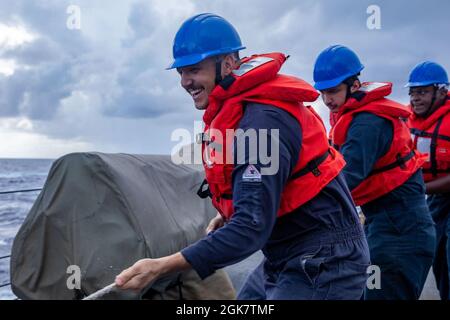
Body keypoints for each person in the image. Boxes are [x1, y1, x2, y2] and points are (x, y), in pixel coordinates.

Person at [115, 14, 370, 300]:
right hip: (285, 249)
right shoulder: (240, 111)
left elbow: (250, 228)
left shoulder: (261, 123)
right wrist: (227, 215)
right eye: (181, 72)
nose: (185, 82)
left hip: (324, 258)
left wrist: (160, 267)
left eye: (194, 70)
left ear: (227, 64)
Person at [313, 45, 436, 300]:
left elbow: (347, 179)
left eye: (333, 91)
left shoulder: (367, 122)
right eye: (323, 93)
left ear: (354, 86)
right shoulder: (351, 116)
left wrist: (299, 206)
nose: (327, 100)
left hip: (400, 228)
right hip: (383, 223)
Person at [406, 61, 450, 300]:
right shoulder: (405, 119)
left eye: (422, 92)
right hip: (433, 199)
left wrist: (417, 188)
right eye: (412, 92)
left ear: (442, 91)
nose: (415, 98)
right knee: (438, 259)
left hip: (436, 191)